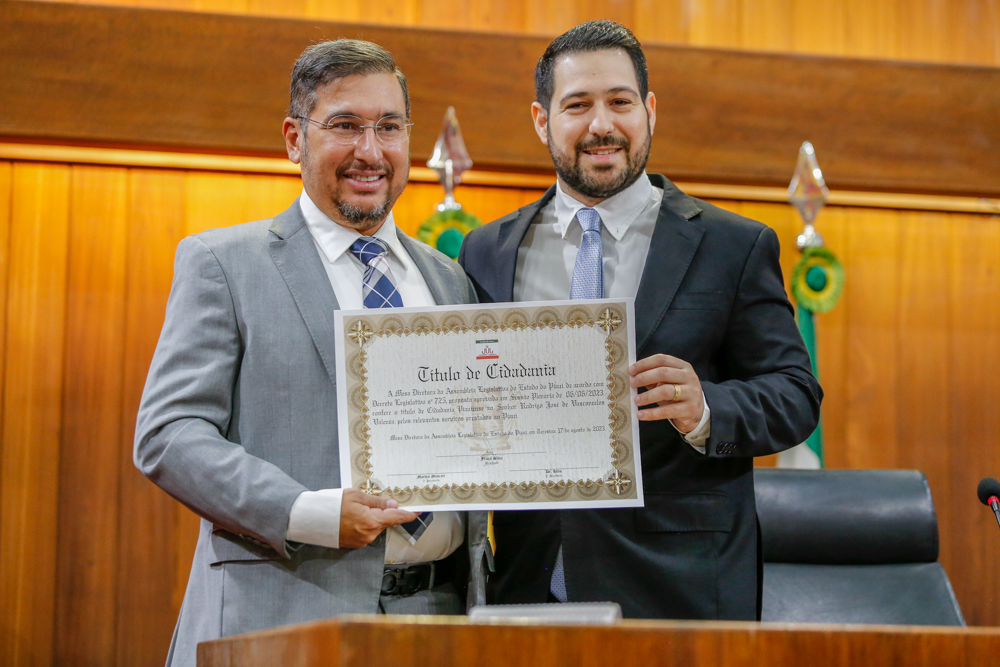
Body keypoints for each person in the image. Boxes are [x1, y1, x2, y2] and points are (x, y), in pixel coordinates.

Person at [135, 39, 488, 667]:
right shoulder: (223, 263)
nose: (370, 151)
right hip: (281, 614)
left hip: (441, 619)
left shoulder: (449, 279)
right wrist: (307, 512)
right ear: (296, 139)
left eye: (389, 127)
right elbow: (168, 434)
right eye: (345, 126)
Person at [458, 21, 821, 620]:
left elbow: (796, 395)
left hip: (683, 590)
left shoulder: (734, 246)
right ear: (541, 119)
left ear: (649, 111)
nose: (602, 124)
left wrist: (705, 408)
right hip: (527, 582)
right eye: (577, 105)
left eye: (620, 102)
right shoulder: (487, 251)